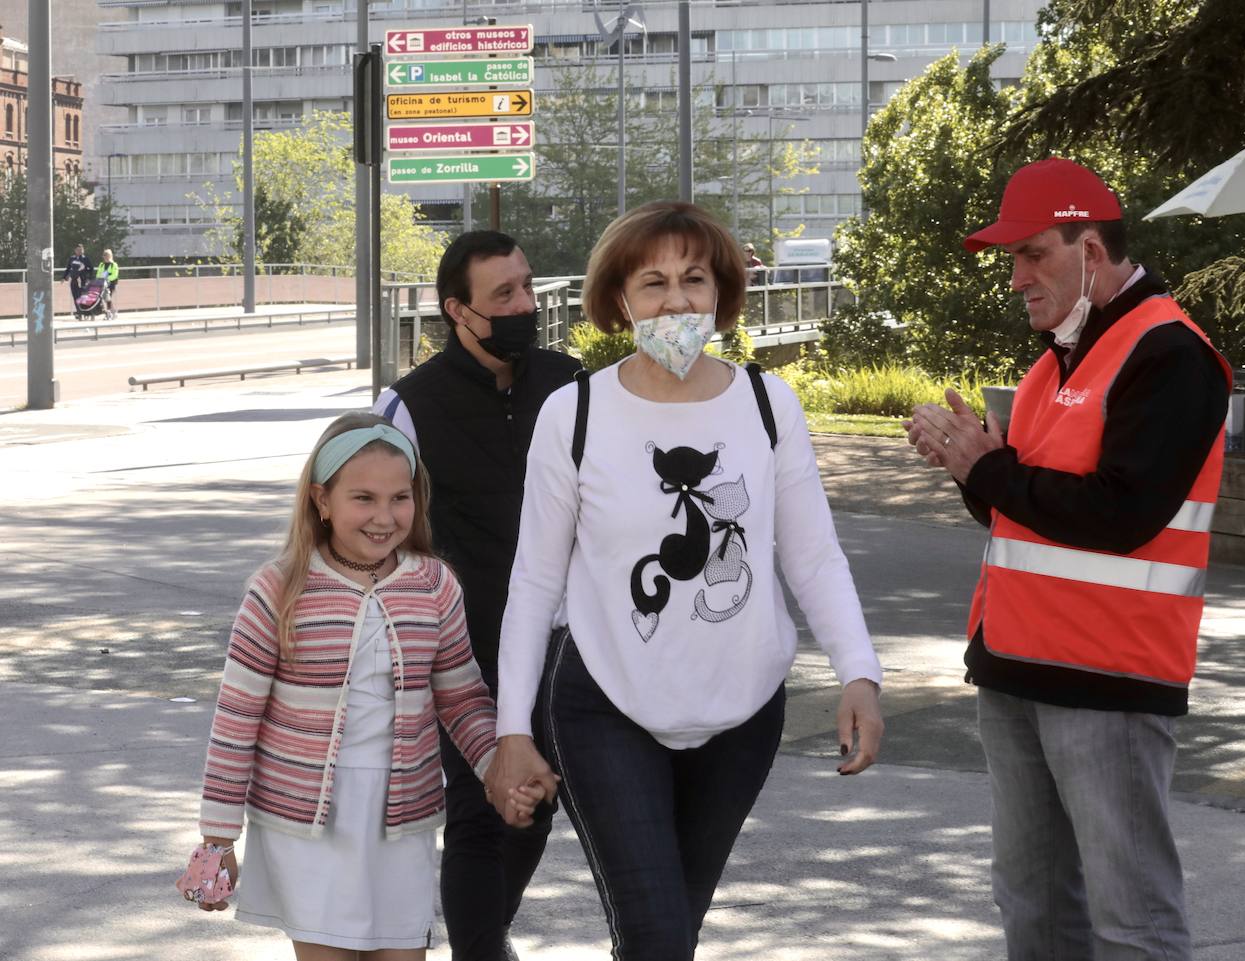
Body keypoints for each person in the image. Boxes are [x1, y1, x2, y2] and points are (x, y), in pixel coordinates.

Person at [484, 201, 885, 961]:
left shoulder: (769, 405)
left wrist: (859, 671)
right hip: (605, 705)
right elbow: (533, 583)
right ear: (619, 299)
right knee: (658, 937)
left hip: (743, 714)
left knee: (670, 934)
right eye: (654, 281)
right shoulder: (575, 414)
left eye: (694, 279)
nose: (676, 300)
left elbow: (813, 556)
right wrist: (512, 731)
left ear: (722, 293)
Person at [905, 157, 1231, 961]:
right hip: (1017, 667)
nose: (1016, 277)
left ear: (1091, 251)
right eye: (1012, 258)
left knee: (1132, 921)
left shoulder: (1168, 352)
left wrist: (991, 469)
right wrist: (971, 466)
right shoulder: (1058, 357)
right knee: (1034, 905)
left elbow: (1123, 514)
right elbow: (1021, 508)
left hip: (1109, 678)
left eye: (1033, 253)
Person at [189, 411, 543, 958]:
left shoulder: (434, 585)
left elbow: (462, 697)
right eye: (364, 499)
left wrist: (501, 770)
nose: (385, 516)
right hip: (304, 823)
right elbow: (237, 719)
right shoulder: (279, 589)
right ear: (321, 500)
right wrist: (217, 837)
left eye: (400, 498)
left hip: (402, 820)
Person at [372, 231, 580, 961]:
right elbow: (380, 531)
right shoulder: (407, 407)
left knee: (536, 805)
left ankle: (483, 936)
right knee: (480, 814)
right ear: (458, 310)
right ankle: (481, 948)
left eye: (527, 286)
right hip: (467, 655)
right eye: (505, 295)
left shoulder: (571, 384)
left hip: (571, 648)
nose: (525, 304)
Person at [62, 243, 92, 314]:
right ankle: (79, 311)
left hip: (83, 280)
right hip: (74, 280)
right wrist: (63, 277)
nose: (79, 251)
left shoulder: (85, 259)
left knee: (82, 296)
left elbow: (91, 269)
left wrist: (88, 277)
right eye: (78, 250)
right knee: (75, 296)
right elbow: (68, 269)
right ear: (75, 250)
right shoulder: (72, 258)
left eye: (81, 250)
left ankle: (85, 311)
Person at [95, 248, 119, 319]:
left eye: (107, 255)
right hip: (102, 283)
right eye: (104, 255)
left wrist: (107, 278)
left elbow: (115, 275)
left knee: (108, 298)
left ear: (110, 256)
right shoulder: (101, 264)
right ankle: (113, 312)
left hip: (111, 284)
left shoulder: (114, 265)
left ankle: (108, 314)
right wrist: (100, 278)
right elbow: (98, 274)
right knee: (104, 299)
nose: (106, 257)